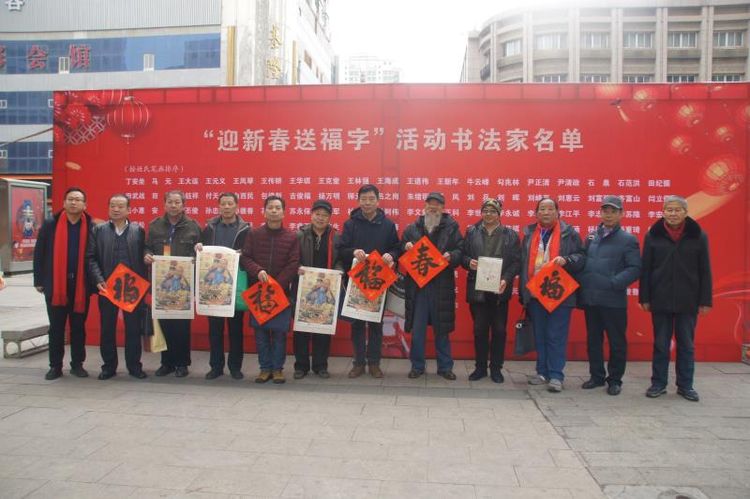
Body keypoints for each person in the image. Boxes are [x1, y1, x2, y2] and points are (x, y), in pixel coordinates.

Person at [639, 195, 712, 402]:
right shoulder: (653, 235)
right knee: (661, 344)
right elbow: (646, 269)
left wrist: (705, 300)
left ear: (685, 212)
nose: (673, 213)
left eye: (677, 210)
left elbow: (705, 270)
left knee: (686, 344)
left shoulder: (698, 235)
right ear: (663, 212)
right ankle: (658, 383)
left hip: (688, 299)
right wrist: (644, 297)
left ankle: (685, 385)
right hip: (660, 298)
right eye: (669, 209)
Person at [519, 197, 585, 393]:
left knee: (556, 335)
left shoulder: (569, 233)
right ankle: (542, 372)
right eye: (542, 209)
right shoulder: (529, 234)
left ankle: (556, 375)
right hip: (536, 291)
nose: (546, 212)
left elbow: (581, 257)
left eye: (550, 209)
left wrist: (566, 260)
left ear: (557, 212)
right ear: (536, 213)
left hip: (559, 292)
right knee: (540, 334)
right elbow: (523, 263)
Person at [577, 196, 641, 395]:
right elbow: (583, 262)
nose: (609, 215)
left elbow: (635, 268)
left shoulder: (628, 240)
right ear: (600, 213)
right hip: (591, 299)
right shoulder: (591, 237)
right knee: (593, 340)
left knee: (616, 342)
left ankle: (615, 380)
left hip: (613, 301)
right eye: (605, 211)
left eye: (613, 211)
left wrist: (614, 283)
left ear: (621, 214)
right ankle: (596, 376)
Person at [337, 184, 400, 379]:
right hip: (356, 283)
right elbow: (342, 250)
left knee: (375, 325)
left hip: (378, 282)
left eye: (371, 199)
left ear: (378, 201)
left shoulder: (388, 225)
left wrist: (391, 255)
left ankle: (374, 363)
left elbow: (396, 248)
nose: (367, 202)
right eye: (363, 199)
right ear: (358, 201)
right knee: (356, 325)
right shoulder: (350, 224)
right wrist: (353, 251)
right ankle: (358, 363)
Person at [33, 187, 95, 380]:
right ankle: (55, 366)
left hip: (80, 286)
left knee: (78, 327)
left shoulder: (91, 225)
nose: (73, 202)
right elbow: (39, 252)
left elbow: (95, 256)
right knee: (56, 328)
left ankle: (77, 365)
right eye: (70, 199)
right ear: (63, 203)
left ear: (85, 205)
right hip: (55, 285)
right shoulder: (50, 224)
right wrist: (39, 280)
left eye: (78, 200)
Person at [400, 192, 463, 380]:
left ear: (443, 208)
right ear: (425, 206)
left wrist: (451, 256)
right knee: (418, 330)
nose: (433, 207)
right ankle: (417, 366)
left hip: (441, 286)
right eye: (430, 204)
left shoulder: (452, 228)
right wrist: (406, 246)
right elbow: (401, 247)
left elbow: (461, 250)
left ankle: (445, 367)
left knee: (442, 329)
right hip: (418, 288)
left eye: (437, 204)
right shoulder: (412, 228)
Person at [86, 193, 148, 380]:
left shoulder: (138, 230)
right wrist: (98, 279)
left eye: (120, 206)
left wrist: (147, 255)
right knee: (107, 328)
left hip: (131, 286)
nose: (116, 209)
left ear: (129, 210)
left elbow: (144, 252)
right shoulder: (98, 230)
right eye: (112, 205)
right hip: (107, 286)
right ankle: (108, 366)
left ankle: (134, 366)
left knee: (133, 329)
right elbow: (90, 257)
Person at [241, 195, 300, 384]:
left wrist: (276, 285)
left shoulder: (292, 236)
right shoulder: (254, 234)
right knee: (261, 334)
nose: (274, 211)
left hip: (280, 292)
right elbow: (245, 258)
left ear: (284, 212)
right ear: (264, 211)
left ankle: (278, 369)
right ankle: (264, 368)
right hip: (258, 292)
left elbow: (293, 263)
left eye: (277, 208)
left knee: (280, 333)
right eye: (270, 208)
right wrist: (258, 271)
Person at [462, 198, 521, 383]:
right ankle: (480, 368)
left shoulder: (511, 235)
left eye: (492, 211)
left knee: (499, 330)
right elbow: (462, 255)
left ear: (499, 214)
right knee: (479, 329)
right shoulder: (471, 232)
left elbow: (516, 262)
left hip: (499, 289)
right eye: (485, 211)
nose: (488, 214)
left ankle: (496, 368)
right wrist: (468, 262)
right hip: (478, 288)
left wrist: (506, 279)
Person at [144, 190, 201, 378]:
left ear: (184, 205)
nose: (174, 205)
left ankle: (182, 363)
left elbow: (201, 251)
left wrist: (197, 253)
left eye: (177, 202)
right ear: (164, 204)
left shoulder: (193, 226)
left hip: (183, 285)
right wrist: (147, 255)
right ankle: (166, 362)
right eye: (170, 202)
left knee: (182, 326)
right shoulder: (155, 226)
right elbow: (147, 247)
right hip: (162, 283)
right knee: (164, 323)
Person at [196, 192, 250, 381]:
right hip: (213, 287)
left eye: (230, 204)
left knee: (236, 330)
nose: (226, 207)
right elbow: (201, 252)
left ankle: (235, 367)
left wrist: (243, 254)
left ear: (237, 206)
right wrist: (198, 248)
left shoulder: (246, 229)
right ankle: (216, 367)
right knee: (215, 330)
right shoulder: (209, 228)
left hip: (235, 286)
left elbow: (250, 253)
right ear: (218, 206)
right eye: (223, 204)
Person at [293, 199, 342, 379]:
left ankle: (321, 366)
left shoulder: (335, 237)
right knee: (301, 328)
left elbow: (340, 260)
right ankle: (301, 366)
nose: (320, 218)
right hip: (304, 288)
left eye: (325, 215)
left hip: (326, 289)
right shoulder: (300, 235)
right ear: (311, 215)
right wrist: (297, 268)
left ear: (330, 218)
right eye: (317, 214)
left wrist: (338, 271)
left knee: (323, 328)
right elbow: (292, 258)